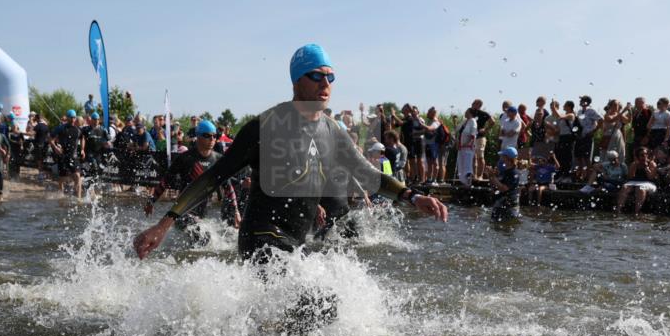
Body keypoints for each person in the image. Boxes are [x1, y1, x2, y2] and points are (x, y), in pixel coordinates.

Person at [133, 44, 447, 315]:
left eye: (331, 77)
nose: (326, 82)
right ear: (297, 81)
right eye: (317, 75)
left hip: (295, 244)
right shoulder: (265, 127)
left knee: (315, 305)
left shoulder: (332, 130)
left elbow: (367, 174)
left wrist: (412, 196)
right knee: (319, 303)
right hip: (261, 238)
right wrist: (166, 222)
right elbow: (213, 177)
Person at [144, 119, 238, 235]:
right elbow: (165, 182)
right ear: (198, 137)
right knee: (203, 237)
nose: (212, 139)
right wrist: (151, 201)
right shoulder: (185, 158)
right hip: (181, 213)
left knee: (204, 239)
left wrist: (236, 211)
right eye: (207, 135)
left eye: (215, 136)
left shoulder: (218, 160)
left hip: (201, 216)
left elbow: (228, 187)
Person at [49, 109, 84, 197]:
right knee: (62, 178)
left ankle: (78, 198)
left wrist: (83, 149)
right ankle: (61, 195)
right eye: (71, 118)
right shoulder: (61, 128)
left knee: (77, 176)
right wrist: (55, 147)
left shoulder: (78, 129)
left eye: (74, 118)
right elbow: (50, 138)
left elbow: (82, 138)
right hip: (63, 156)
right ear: (67, 118)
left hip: (74, 156)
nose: (72, 119)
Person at [618, 147, 658, 216]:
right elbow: (630, 177)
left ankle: (637, 211)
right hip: (635, 181)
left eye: (646, 154)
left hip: (648, 182)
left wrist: (646, 168)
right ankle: (618, 210)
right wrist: (635, 166)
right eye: (642, 155)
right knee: (624, 187)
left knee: (640, 188)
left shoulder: (652, 164)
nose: (644, 156)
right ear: (638, 156)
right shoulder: (634, 164)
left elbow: (651, 177)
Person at [485, 147, 520, 222]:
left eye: (503, 156)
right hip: (500, 203)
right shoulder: (504, 171)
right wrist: (490, 175)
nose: (501, 158)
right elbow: (495, 185)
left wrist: (493, 176)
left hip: (509, 206)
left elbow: (504, 188)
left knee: (506, 226)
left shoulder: (514, 173)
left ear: (508, 158)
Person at [573, 95, 602, 180]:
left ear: (586, 102)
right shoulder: (579, 112)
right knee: (579, 157)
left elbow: (601, 120)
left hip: (587, 137)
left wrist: (593, 131)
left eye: (582, 100)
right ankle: (580, 175)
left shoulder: (591, 111)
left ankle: (589, 176)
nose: (580, 102)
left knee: (586, 157)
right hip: (579, 137)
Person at [469, 99, 492, 180]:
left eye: (474, 103)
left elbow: (492, 121)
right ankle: (474, 175)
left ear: (479, 105)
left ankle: (480, 175)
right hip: (472, 138)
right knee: (473, 157)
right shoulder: (470, 113)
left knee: (480, 157)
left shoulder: (483, 114)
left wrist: (485, 129)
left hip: (480, 137)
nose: (472, 104)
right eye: (472, 103)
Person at [455, 107, 477, 187]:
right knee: (461, 164)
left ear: (470, 113)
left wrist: (466, 144)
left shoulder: (473, 121)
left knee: (467, 165)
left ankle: (468, 183)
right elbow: (456, 130)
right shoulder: (464, 121)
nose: (465, 112)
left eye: (466, 111)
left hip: (468, 148)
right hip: (461, 147)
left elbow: (473, 135)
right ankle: (463, 182)